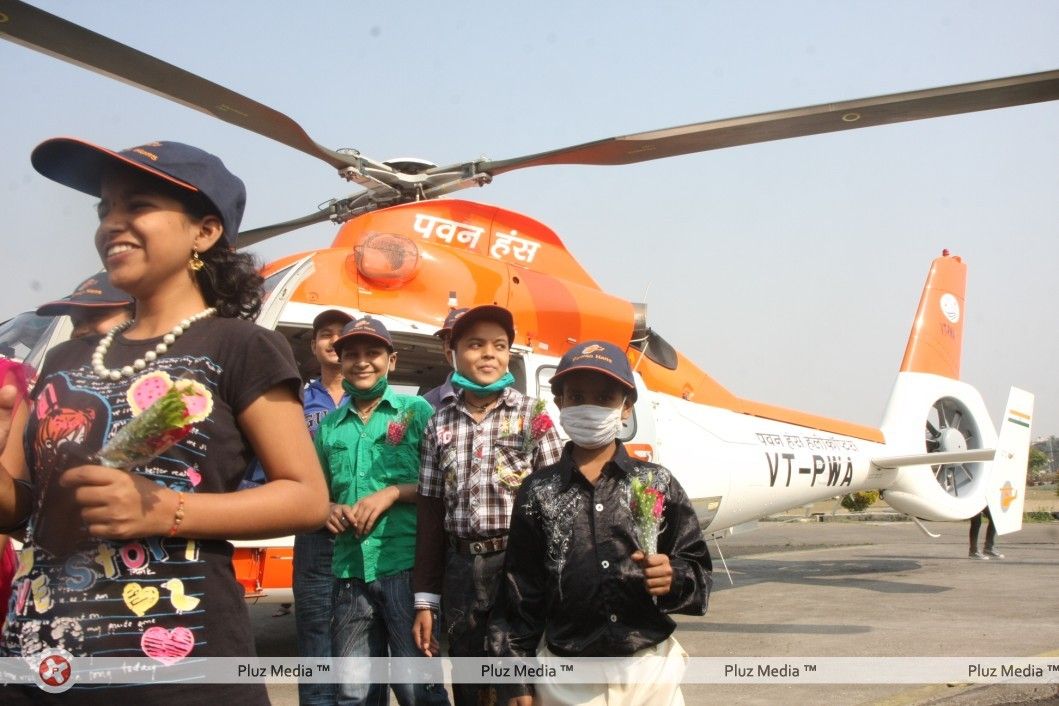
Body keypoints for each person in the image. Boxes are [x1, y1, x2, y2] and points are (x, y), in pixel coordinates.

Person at [0, 138, 329, 704]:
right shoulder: (63, 360)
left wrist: (164, 507)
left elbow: (306, 498)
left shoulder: (242, 346)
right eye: (105, 210)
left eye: (137, 205)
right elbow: (24, 507)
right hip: (38, 658)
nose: (112, 224)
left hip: (176, 668)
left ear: (204, 232)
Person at [488, 340, 713, 706]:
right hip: (567, 680)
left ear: (626, 407)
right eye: (576, 396)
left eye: (604, 397)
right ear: (559, 402)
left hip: (649, 673)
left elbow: (699, 573)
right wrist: (515, 680)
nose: (589, 407)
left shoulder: (657, 484)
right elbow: (519, 593)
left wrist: (674, 578)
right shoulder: (537, 492)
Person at [412, 304, 564, 706]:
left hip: (517, 567)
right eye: (475, 345)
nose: (489, 354)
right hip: (460, 568)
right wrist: (425, 599)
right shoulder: (437, 422)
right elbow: (430, 514)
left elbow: (558, 508)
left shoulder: (534, 416)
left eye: (499, 345)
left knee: (520, 685)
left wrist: (555, 584)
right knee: (468, 680)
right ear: (453, 354)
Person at [317, 316, 449, 706]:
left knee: (417, 690)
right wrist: (328, 510)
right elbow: (315, 496)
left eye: (372, 353)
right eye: (351, 354)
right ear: (339, 362)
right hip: (348, 573)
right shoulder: (328, 428)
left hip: (404, 568)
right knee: (354, 692)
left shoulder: (418, 412)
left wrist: (391, 492)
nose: (362, 362)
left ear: (391, 360)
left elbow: (442, 487)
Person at [292, 308, 352, 705]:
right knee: (315, 635)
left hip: (363, 537)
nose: (333, 340)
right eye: (325, 334)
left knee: (359, 639)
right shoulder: (294, 399)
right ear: (314, 346)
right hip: (314, 534)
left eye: (341, 334)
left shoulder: (377, 400)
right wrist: (318, 506)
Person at [35, 270, 134, 339]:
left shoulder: (147, 365)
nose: (80, 331)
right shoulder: (62, 363)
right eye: (76, 323)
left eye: (95, 317)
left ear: (135, 316)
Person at [421, 307, 464, 411]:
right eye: (449, 341)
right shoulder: (426, 404)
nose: (453, 349)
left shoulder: (508, 400)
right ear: (444, 349)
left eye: (463, 339)